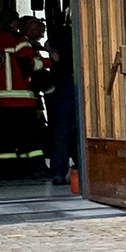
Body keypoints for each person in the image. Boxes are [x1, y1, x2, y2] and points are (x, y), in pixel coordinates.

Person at [0, 14, 49, 180]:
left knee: (3, 142)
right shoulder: (19, 41)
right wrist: (48, 63)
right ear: (15, 23)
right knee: (29, 140)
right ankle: (34, 169)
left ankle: (6, 172)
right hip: (22, 100)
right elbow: (28, 64)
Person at [41, 20, 79, 186]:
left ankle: (58, 173)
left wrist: (54, 55)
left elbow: (48, 44)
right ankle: (84, 171)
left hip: (62, 83)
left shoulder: (62, 32)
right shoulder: (79, 31)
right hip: (76, 81)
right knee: (82, 129)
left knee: (61, 132)